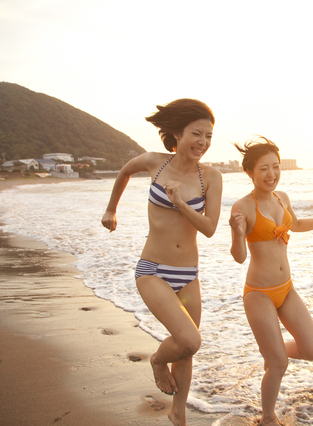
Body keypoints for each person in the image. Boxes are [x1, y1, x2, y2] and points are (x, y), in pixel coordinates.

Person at [101, 99, 222, 426]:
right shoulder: (154, 162)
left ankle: (177, 411)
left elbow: (210, 228)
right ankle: (157, 361)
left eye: (209, 136)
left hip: (188, 275)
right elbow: (125, 171)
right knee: (189, 339)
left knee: (187, 349)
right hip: (153, 270)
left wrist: (180, 203)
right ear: (177, 134)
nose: (203, 142)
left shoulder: (211, 177)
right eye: (197, 133)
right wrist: (112, 209)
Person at [229, 137, 313, 425]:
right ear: (250, 173)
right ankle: (268, 417)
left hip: (286, 288)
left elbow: (298, 223)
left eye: (275, 167)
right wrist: (236, 231)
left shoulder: (283, 197)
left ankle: (272, 351)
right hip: (259, 294)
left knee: (312, 350)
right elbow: (239, 256)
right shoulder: (243, 207)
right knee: (280, 363)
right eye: (263, 169)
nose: (271, 174)